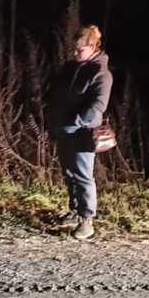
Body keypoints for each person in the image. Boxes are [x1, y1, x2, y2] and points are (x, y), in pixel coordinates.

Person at [47, 24, 114, 240]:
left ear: (94, 46)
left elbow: (96, 108)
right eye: (74, 49)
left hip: (84, 132)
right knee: (68, 174)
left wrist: (73, 122)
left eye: (80, 49)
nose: (75, 53)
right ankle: (75, 211)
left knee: (84, 176)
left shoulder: (102, 74)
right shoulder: (71, 67)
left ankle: (87, 220)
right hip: (63, 128)